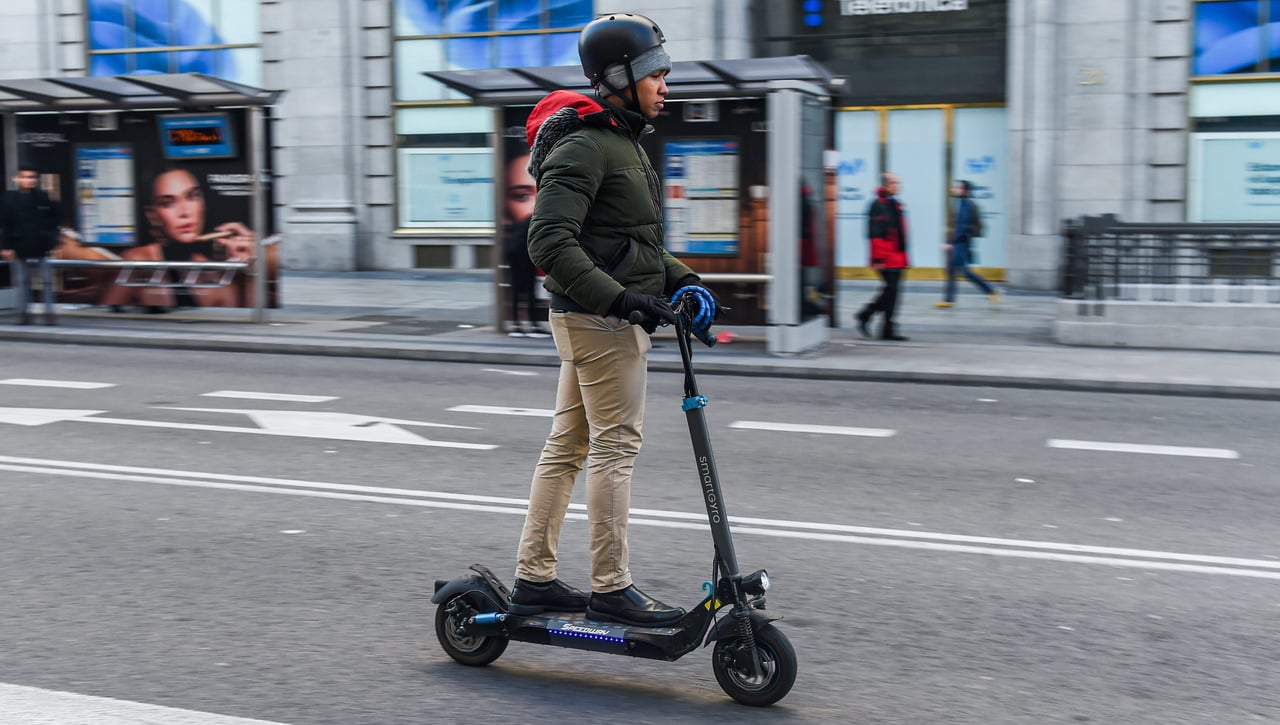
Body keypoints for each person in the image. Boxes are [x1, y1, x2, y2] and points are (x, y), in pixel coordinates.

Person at [508, 12, 717, 627]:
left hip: (597, 316)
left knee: (568, 447)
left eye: (665, 71)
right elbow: (547, 242)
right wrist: (622, 300)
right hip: (600, 322)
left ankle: (534, 578)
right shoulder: (586, 144)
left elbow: (632, 243)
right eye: (655, 72)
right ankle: (610, 585)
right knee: (614, 448)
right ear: (619, 75)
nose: (665, 83)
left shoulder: (619, 139)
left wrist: (686, 281)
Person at [101, 166, 277, 310]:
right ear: (153, 215)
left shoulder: (218, 276)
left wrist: (250, 269)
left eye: (192, 197)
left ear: (203, 204)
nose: (184, 212)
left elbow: (246, 326)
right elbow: (104, 317)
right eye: (168, 203)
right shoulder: (138, 261)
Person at [1, 166, 61, 325]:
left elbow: (54, 219)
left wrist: (52, 238)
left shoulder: (42, 196)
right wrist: (5, 246)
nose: (29, 180)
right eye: (26, 177)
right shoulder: (9, 198)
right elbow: (5, 225)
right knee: (22, 281)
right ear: (17, 179)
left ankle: (49, 314)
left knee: (47, 281)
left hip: (41, 244)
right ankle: (24, 313)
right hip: (19, 244)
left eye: (32, 177)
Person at [854, 172, 909, 341]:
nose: (897, 186)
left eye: (898, 183)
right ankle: (866, 315)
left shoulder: (895, 205)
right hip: (886, 256)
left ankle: (886, 328)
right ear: (885, 185)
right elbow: (875, 234)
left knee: (893, 292)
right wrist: (878, 259)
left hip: (898, 256)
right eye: (894, 183)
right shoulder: (877, 205)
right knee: (890, 290)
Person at [502, 148, 547, 338]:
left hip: (518, 252)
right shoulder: (539, 217)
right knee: (526, 288)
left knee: (519, 287)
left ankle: (521, 326)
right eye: (521, 195)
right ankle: (529, 326)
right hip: (522, 254)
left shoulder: (532, 217)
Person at [935, 180, 999, 308]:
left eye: (958, 188)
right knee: (955, 271)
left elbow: (975, 227)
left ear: (965, 191)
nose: (955, 189)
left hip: (962, 243)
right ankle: (949, 300)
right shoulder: (959, 203)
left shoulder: (969, 205)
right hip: (957, 242)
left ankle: (990, 290)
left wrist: (958, 238)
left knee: (962, 272)